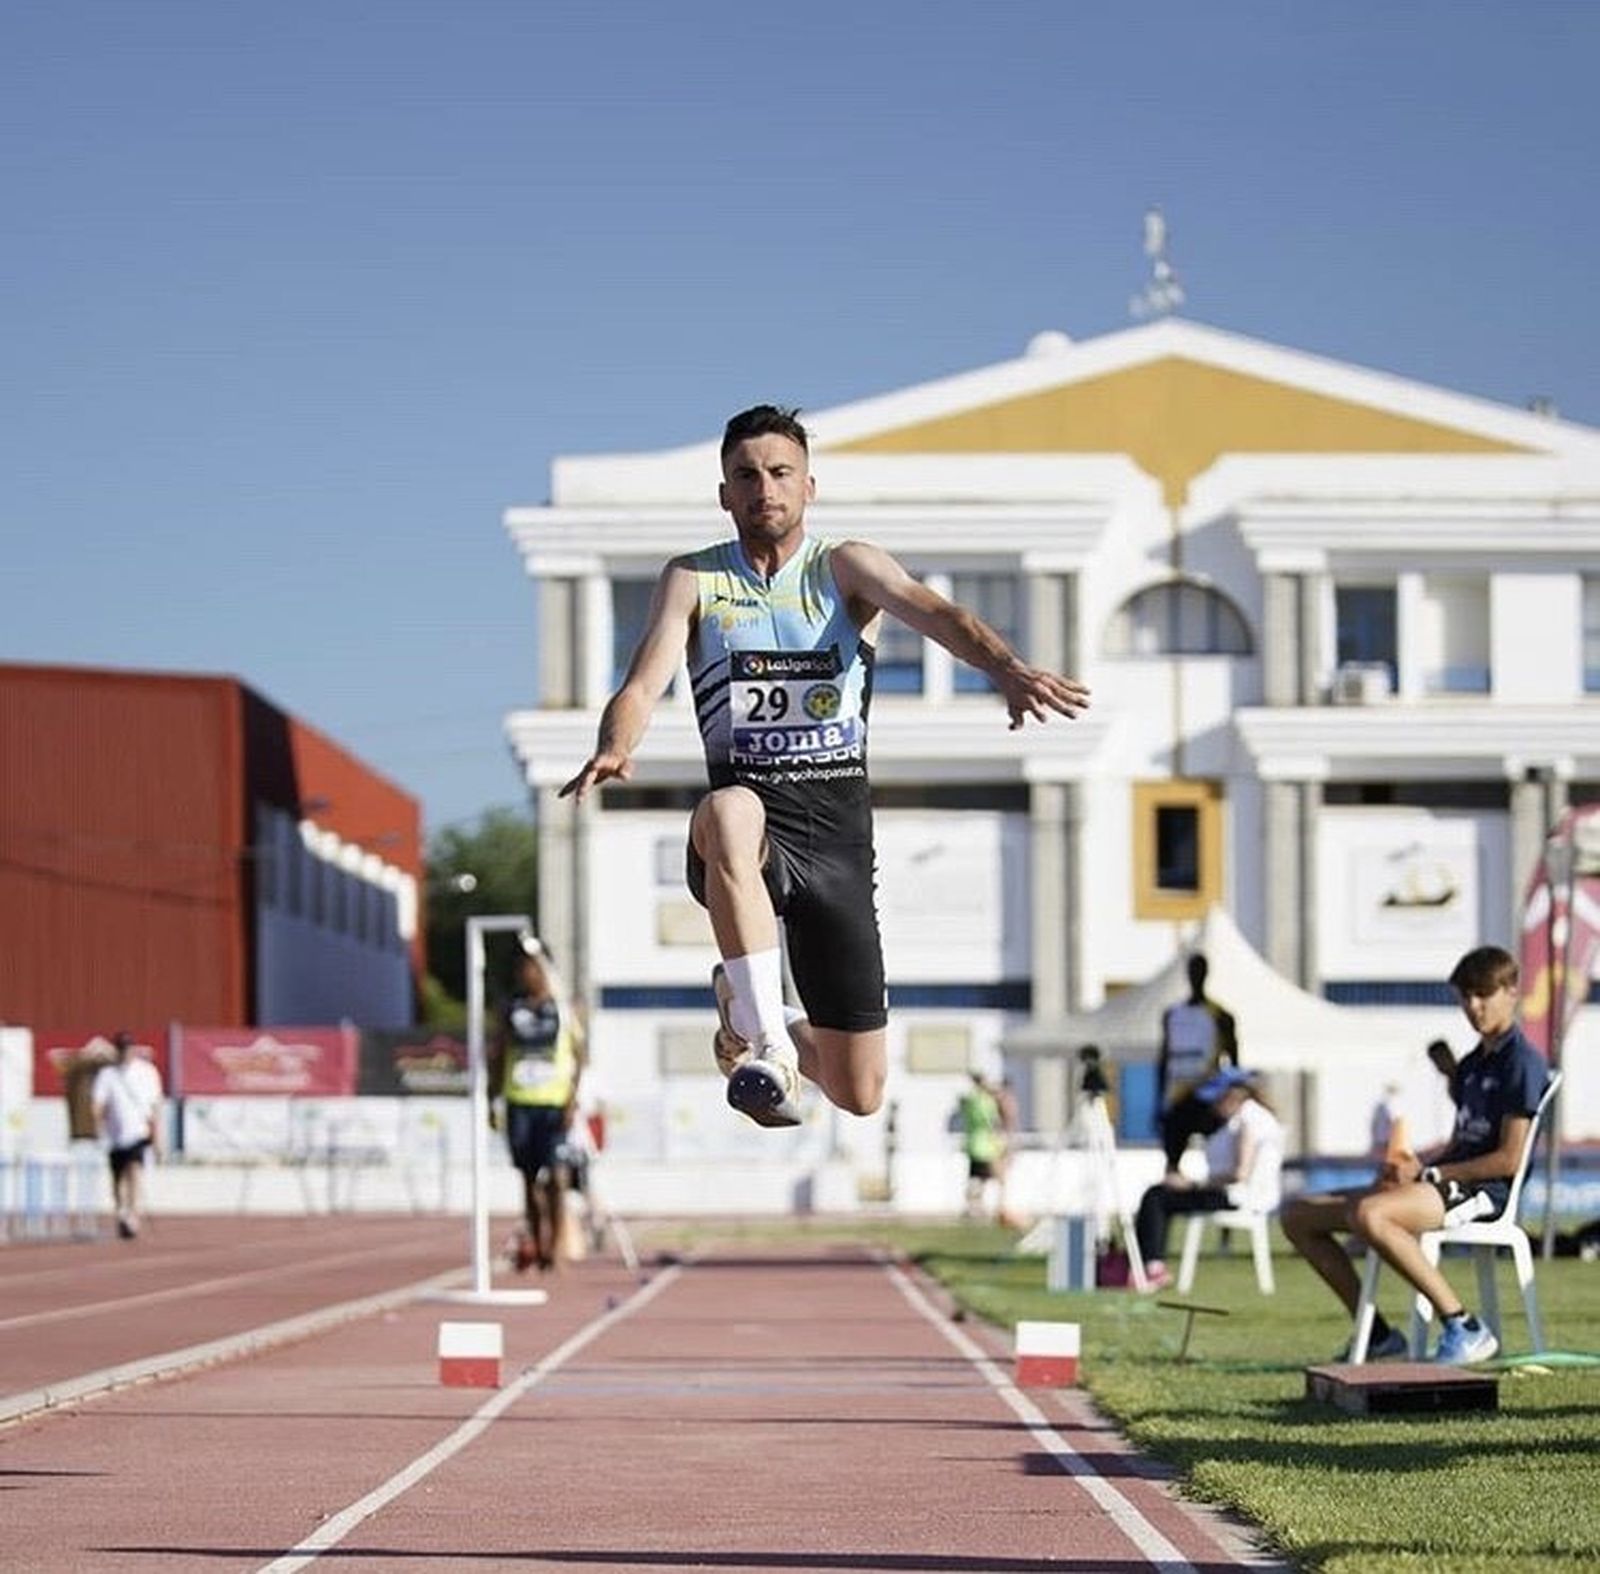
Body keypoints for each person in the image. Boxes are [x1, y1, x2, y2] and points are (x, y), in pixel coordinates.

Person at [560, 404, 1090, 1128]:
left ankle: (746, 1012)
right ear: (724, 493)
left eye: (780, 473)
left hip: (837, 845)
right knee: (727, 811)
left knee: (860, 1091)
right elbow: (643, 684)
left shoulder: (846, 567)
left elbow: (934, 612)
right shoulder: (693, 579)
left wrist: (1007, 669)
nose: (763, 489)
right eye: (745, 476)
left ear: (810, 486)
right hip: (748, 838)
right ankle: (769, 1046)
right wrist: (615, 747)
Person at [1280, 944, 1551, 1365]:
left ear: (1512, 991)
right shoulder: (1477, 1062)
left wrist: (1431, 1174)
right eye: (1465, 996)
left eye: (1483, 994)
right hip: (1448, 1181)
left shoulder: (1522, 1062)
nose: (1473, 1006)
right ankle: (1379, 1338)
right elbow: (1466, 1137)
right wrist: (1414, 1166)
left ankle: (1464, 1324)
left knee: (1371, 1214)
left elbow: (1509, 1160)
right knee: (1297, 1215)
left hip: (1484, 1194)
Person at [1134, 1067, 1284, 1290]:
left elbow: (1240, 1174)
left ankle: (1151, 1267)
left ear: (1230, 1096)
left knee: (1157, 1197)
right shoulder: (1251, 1117)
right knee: (1161, 1194)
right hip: (1239, 1194)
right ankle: (1151, 1266)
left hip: (1237, 1197)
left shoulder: (1248, 1121)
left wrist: (1193, 1184)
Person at [488, 940, 584, 1273]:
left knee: (557, 1178)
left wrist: (573, 1099)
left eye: (533, 966)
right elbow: (498, 1055)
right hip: (519, 1104)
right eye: (522, 967)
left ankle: (557, 1246)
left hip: (555, 1106)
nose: (527, 973)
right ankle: (538, 1241)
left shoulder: (563, 1009)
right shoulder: (511, 1009)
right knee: (529, 1182)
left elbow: (578, 1056)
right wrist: (492, 1097)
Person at [1157, 953, 1239, 1172]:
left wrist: (1230, 1098)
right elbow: (1164, 1058)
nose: (1196, 976)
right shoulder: (1172, 1015)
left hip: (1207, 1097)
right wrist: (1160, 1099)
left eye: (1199, 971)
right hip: (1176, 1097)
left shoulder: (1220, 1015)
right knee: (1172, 1157)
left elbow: (1234, 1063)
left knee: (1218, 1154)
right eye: (1192, 971)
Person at [91, 1030, 163, 1240]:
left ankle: (132, 1215)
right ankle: (121, 1211)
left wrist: (157, 1137)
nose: (125, 1052)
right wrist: (97, 1126)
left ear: (134, 1049)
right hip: (115, 1136)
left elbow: (155, 1106)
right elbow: (97, 1103)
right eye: (121, 1048)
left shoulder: (147, 1072)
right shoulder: (107, 1075)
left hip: (138, 1132)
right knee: (117, 1180)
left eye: (128, 1048)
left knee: (134, 1171)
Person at [955, 1072, 1005, 1219]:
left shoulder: (970, 1100)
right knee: (988, 1178)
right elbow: (991, 1123)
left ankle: (974, 1207)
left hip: (973, 1143)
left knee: (976, 1178)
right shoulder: (985, 1101)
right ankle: (987, 1207)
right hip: (986, 1145)